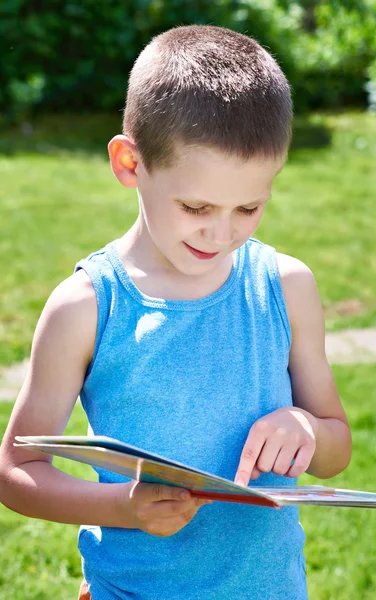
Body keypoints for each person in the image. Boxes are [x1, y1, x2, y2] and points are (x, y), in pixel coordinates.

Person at [0, 25, 352, 600]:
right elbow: (16, 474)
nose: (221, 233)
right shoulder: (87, 306)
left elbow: (337, 449)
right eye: (196, 206)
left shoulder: (286, 286)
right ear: (130, 163)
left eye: (249, 207)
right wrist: (124, 506)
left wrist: (308, 429)